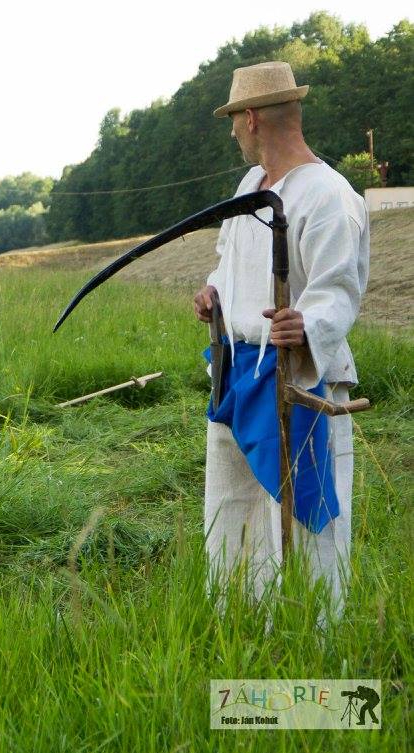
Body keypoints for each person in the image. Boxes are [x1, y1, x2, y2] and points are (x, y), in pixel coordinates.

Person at [194, 62, 370, 617]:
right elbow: (228, 259)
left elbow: (339, 288)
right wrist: (214, 293)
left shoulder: (328, 194)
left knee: (303, 519)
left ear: (251, 118)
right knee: (235, 508)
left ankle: (313, 634)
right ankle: (241, 621)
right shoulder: (250, 187)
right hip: (236, 372)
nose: (232, 133)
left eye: (233, 121)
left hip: (297, 375)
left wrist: (307, 324)